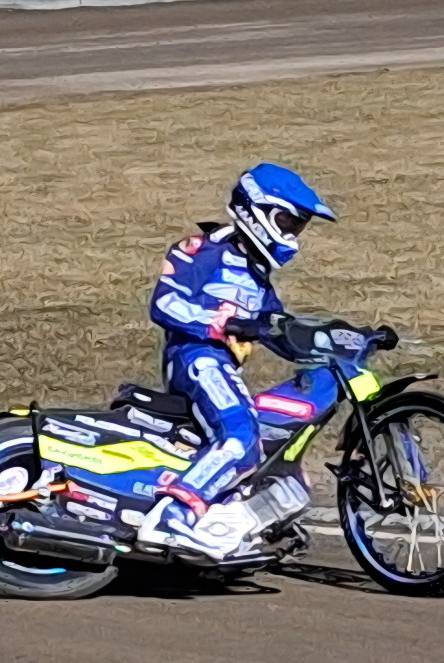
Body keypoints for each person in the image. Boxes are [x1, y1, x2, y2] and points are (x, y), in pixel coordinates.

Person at [137, 163, 336, 560]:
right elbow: (165, 304)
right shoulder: (202, 250)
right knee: (242, 436)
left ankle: (230, 527)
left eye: (298, 228)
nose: (292, 236)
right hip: (195, 358)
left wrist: (332, 341)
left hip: (224, 368)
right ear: (256, 210)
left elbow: (277, 331)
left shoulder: (259, 276)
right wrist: (221, 323)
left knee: (287, 472)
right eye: (287, 222)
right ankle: (172, 518)